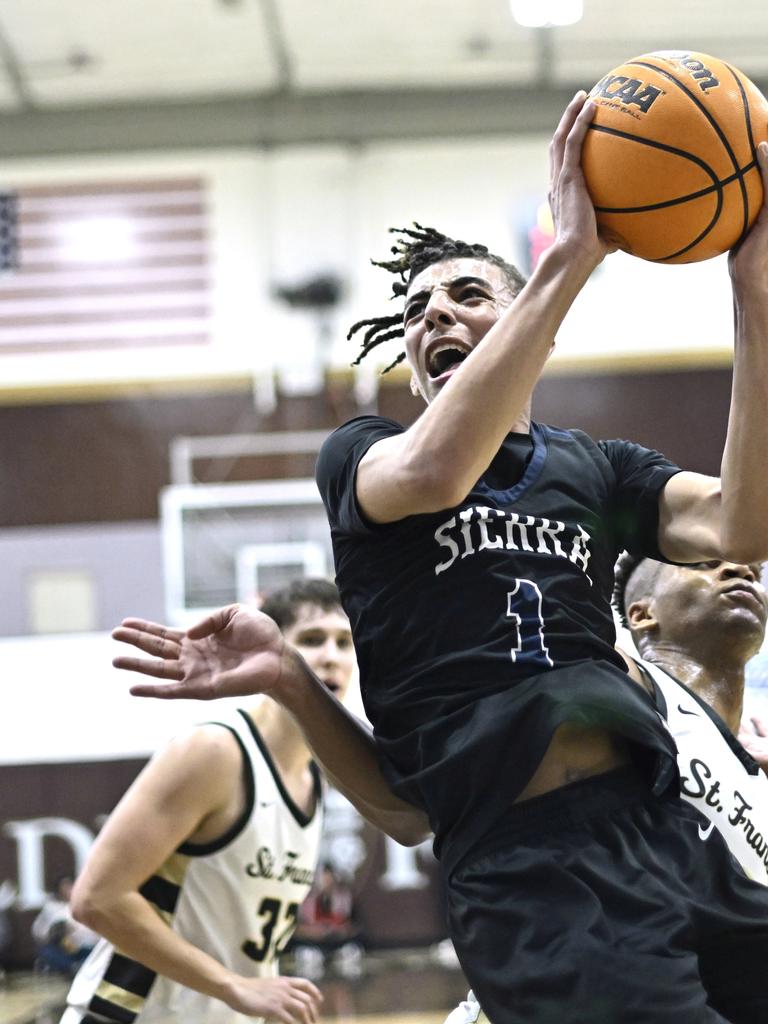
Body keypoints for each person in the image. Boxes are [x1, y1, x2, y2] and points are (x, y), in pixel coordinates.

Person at [110, 91, 768, 1022]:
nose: (434, 317)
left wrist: (753, 289)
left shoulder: (600, 470)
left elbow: (745, 524)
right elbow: (436, 471)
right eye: (417, 310)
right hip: (536, 870)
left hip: (665, 828)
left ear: (527, 328)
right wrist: (572, 255)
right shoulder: (366, 455)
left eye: (467, 296)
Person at [445, 554, 768, 1024]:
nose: (738, 571)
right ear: (642, 613)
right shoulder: (615, 692)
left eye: (752, 572)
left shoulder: (754, 773)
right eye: (704, 564)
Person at [61, 579, 360, 1024]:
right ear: (272, 655)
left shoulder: (315, 775)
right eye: (312, 640)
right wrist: (235, 987)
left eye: (344, 642)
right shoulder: (215, 751)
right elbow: (95, 900)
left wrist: (253, 995)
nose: (331, 656)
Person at [290, 861, 364, 981]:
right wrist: (313, 932)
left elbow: (355, 926)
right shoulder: (305, 897)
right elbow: (295, 928)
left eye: (328, 876)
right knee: (307, 959)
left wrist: (338, 929)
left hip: (338, 944)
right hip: (311, 945)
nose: (325, 881)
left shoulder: (344, 896)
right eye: (322, 877)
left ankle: (344, 991)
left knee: (350, 954)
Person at [32, 876, 97, 977]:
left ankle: (82, 966)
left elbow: (94, 932)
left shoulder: (85, 905)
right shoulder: (51, 908)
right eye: (64, 887)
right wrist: (55, 931)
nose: (67, 890)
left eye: (70, 887)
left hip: (84, 946)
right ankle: (72, 967)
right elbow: (38, 931)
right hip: (62, 948)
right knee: (47, 951)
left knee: (94, 952)